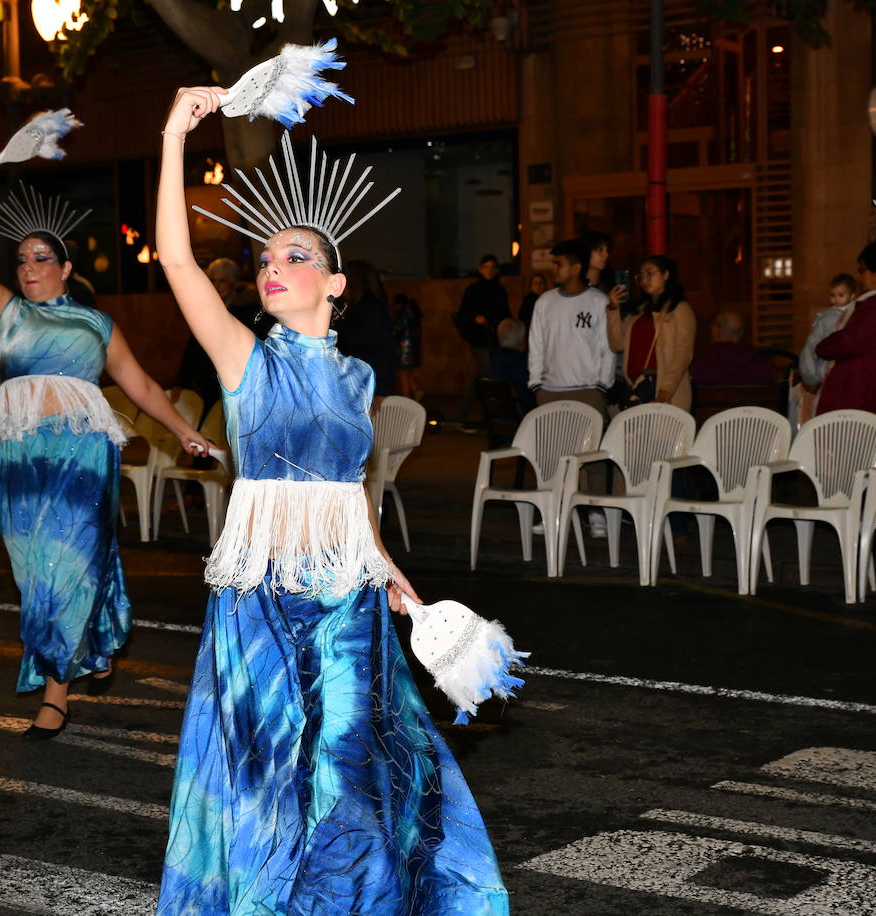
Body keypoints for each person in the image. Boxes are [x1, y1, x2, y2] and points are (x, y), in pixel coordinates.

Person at [153, 86, 508, 914]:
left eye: (293, 259)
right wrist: (174, 135)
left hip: (345, 589)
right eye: (265, 262)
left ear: (334, 280)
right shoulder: (245, 357)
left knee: (349, 762)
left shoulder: (359, 377)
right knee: (267, 769)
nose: (272, 270)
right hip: (263, 597)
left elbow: (351, 491)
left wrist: (390, 569)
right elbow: (174, 261)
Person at [0, 159, 208, 740]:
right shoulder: (5, 314)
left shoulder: (95, 325)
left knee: (71, 568)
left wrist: (184, 429)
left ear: (65, 268)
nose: (29, 267)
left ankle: (55, 694)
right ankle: (86, 637)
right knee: (35, 575)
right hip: (22, 466)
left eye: (42, 258)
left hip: (84, 459)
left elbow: (139, 386)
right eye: (21, 259)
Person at [814, 241, 876, 426]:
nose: (859, 276)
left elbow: (849, 341)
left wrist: (821, 346)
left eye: (862, 269)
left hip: (866, 388)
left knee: (852, 447)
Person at [527, 240, 615, 416]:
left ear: (576, 268)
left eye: (558, 264)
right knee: (552, 443)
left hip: (588, 391)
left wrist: (602, 386)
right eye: (553, 264)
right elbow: (536, 345)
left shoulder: (599, 301)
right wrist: (536, 384)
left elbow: (609, 347)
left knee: (587, 444)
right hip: (550, 390)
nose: (553, 269)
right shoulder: (544, 301)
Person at [606, 254, 697, 411]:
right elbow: (616, 344)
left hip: (664, 392)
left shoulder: (679, 309)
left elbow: (683, 353)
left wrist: (666, 390)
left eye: (650, 273)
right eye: (641, 276)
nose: (644, 280)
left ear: (666, 274)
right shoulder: (639, 313)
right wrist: (614, 309)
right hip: (637, 391)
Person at [176, 257, 268, 405]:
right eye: (213, 280)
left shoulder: (249, 309)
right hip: (210, 382)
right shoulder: (207, 308)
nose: (217, 285)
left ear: (233, 282)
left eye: (222, 280)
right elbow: (194, 347)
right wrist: (182, 382)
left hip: (242, 383)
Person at [453, 254, 511, 428]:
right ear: (480, 269)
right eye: (486, 267)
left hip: (496, 339)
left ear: (497, 270)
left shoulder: (500, 290)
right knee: (482, 375)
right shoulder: (473, 290)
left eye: (493, 267)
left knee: (488, 376)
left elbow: (505, 315)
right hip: (478, 340)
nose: (489, 270)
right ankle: (461, 417)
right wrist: (475, 319)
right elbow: (462, 314)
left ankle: (488, 417)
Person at [791, 273, 857, 424]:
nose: (835, 300)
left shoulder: (858, 313)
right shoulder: (827, 317)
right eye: (833, 295)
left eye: (840, 295)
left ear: (852, 294)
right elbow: (814, 344)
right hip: (827, 367)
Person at [333, 259, 397, 398]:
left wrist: (381, 391)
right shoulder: (352, 308)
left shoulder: (371, 309)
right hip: (357, 381)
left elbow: (386, 350)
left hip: (368, 384)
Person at [690, 310, 775, 387]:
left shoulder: (705, 360)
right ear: (741, 332)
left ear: (717, 330)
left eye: (713, 326)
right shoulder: (760, 360)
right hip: (752, 404)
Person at [487, 317, 534, 411]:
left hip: (499, 412)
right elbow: (526, 397)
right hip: (520, 413)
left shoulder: (495, 358)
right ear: (521, 339)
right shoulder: (520, 361)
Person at [392, 292, 423, 399]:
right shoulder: (412, 313)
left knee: (403, 374)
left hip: (404, 348)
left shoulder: (402, 313)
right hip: (412, 348)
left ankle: (407, 397)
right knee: (407, 373)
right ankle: (415, 390)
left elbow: (396, 330)